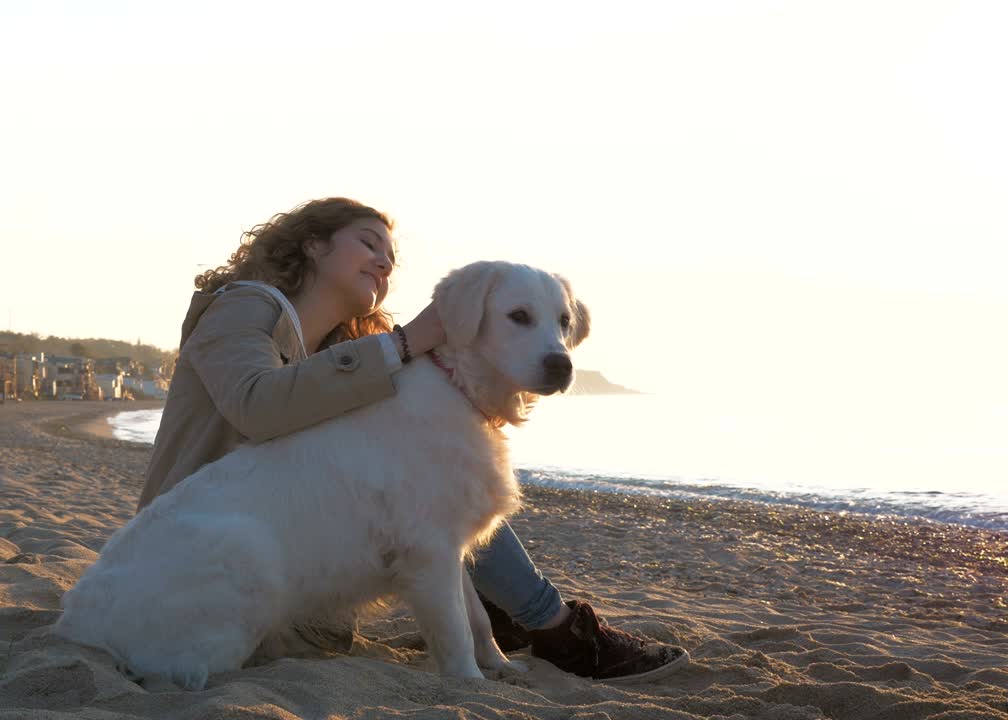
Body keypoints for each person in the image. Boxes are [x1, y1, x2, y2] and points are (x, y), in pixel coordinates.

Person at [136, 197, 684, 682]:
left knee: (448, 489)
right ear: (312, 245)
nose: (384, 261)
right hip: (204, 559)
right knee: (445, 493)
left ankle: (505, 625)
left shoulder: (340, 350)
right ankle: (550, 625)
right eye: (368, 243)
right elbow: (257, 406)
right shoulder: (243, 307)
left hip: (295, 564)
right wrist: (403, 343)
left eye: (391, 256)